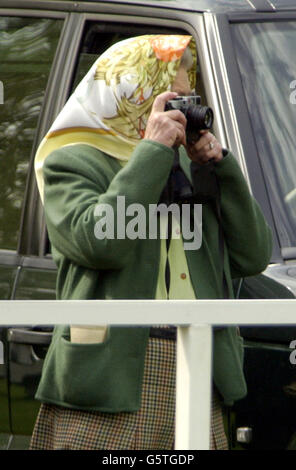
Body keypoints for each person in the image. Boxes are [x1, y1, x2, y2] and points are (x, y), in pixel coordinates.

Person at [30, 35, 272, 450]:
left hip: (199, 359)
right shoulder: (70, 162)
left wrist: (220, 169)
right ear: (131, 93)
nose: (180, 113)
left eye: (184, 99)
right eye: (169, 99)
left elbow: (253, 255)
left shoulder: (185, 168)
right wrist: (152, 152)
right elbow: (99, 241)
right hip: (112, 376)